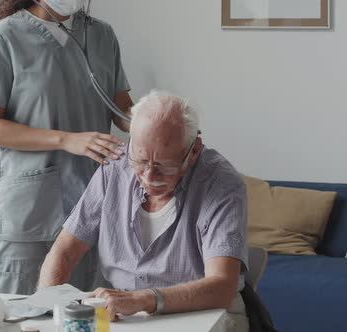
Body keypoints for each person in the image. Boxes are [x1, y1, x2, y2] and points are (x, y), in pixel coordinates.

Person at [38, 90, 250, 331]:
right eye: (139, 160)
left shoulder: (220, 183)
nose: (149, 176)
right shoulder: (115, 168)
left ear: (193, 151)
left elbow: (222, 286)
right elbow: (64, 252)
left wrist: (143, 300)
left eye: (164, 165)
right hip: (129, 313)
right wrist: (49, 312)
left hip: (206, 312)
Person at [0, 0, 134, 295]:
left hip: (89, 209)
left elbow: (123, 112)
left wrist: (161, 120)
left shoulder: (102, 36)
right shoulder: (2, 37)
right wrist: (67, 139)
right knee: (20, 320)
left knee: (86, 320)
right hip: (28, 215)